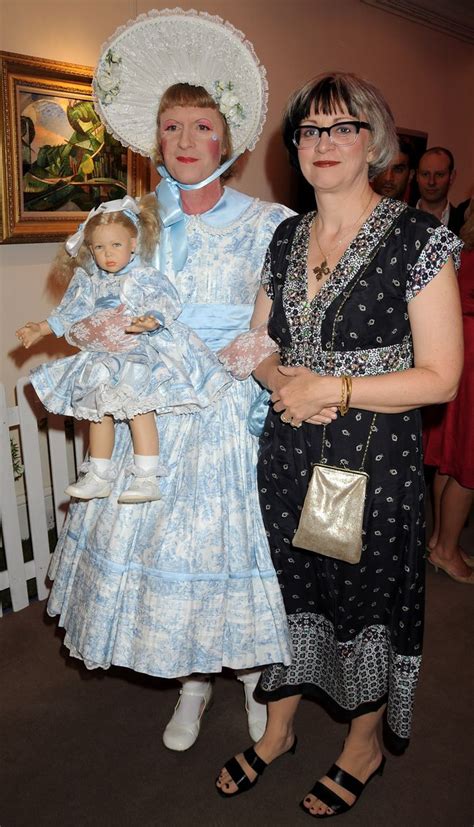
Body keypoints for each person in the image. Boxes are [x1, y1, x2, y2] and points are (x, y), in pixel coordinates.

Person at [216, 71, 463, 818]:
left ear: (374, 141)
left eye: (343, 127)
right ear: (296, 145)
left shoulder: (419, 240)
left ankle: (363, 745)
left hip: (368, 460)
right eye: (311, 130)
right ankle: (279, 730)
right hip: (288, 453)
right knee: (288, 591)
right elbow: (255, 341)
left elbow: (442, 376)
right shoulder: (286, 236)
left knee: (365, 601)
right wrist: (280, 378)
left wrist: (335, 388)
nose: (325, 142)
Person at [45, 9, 293, 751]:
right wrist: (103, 331)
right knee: (164, 553)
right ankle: (192, 682)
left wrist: (237, 366)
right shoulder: (125, 219)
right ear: (156, 139)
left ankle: (251, 675)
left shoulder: (269, 222)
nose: (186, 140)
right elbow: (82, 305)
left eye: (202, 126)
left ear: (227, 140)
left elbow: (280, 318)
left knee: (230, 548)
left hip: (225, 408)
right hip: (148, 412)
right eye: (173, 127)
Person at [16, 198, 231, 503]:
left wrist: (151, 319)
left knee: (139, 410)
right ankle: (98, 474)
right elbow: (71, 312)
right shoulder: (90, 281)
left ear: (133, 243)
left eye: (116, 245)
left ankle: (146, 477)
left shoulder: (142, 275)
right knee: (98, 412)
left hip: (135, 351)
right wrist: (40, 328)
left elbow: (164, 299)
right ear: (90, 250)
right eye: (99, 248)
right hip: (103, 355)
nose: (108, 254)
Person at [424, 202, 474, 584]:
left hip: (459, 351)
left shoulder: (462, 248)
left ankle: (441, 541)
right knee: (468, 465)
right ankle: (445, 549)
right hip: (470, 358)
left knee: (449, 458)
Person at [416, 147, 466, 234]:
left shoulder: (464, 224)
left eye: (439, 175)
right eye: (425, 174)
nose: (431, 182)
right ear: (417, 176)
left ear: (451, 177)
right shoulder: (400, 219)